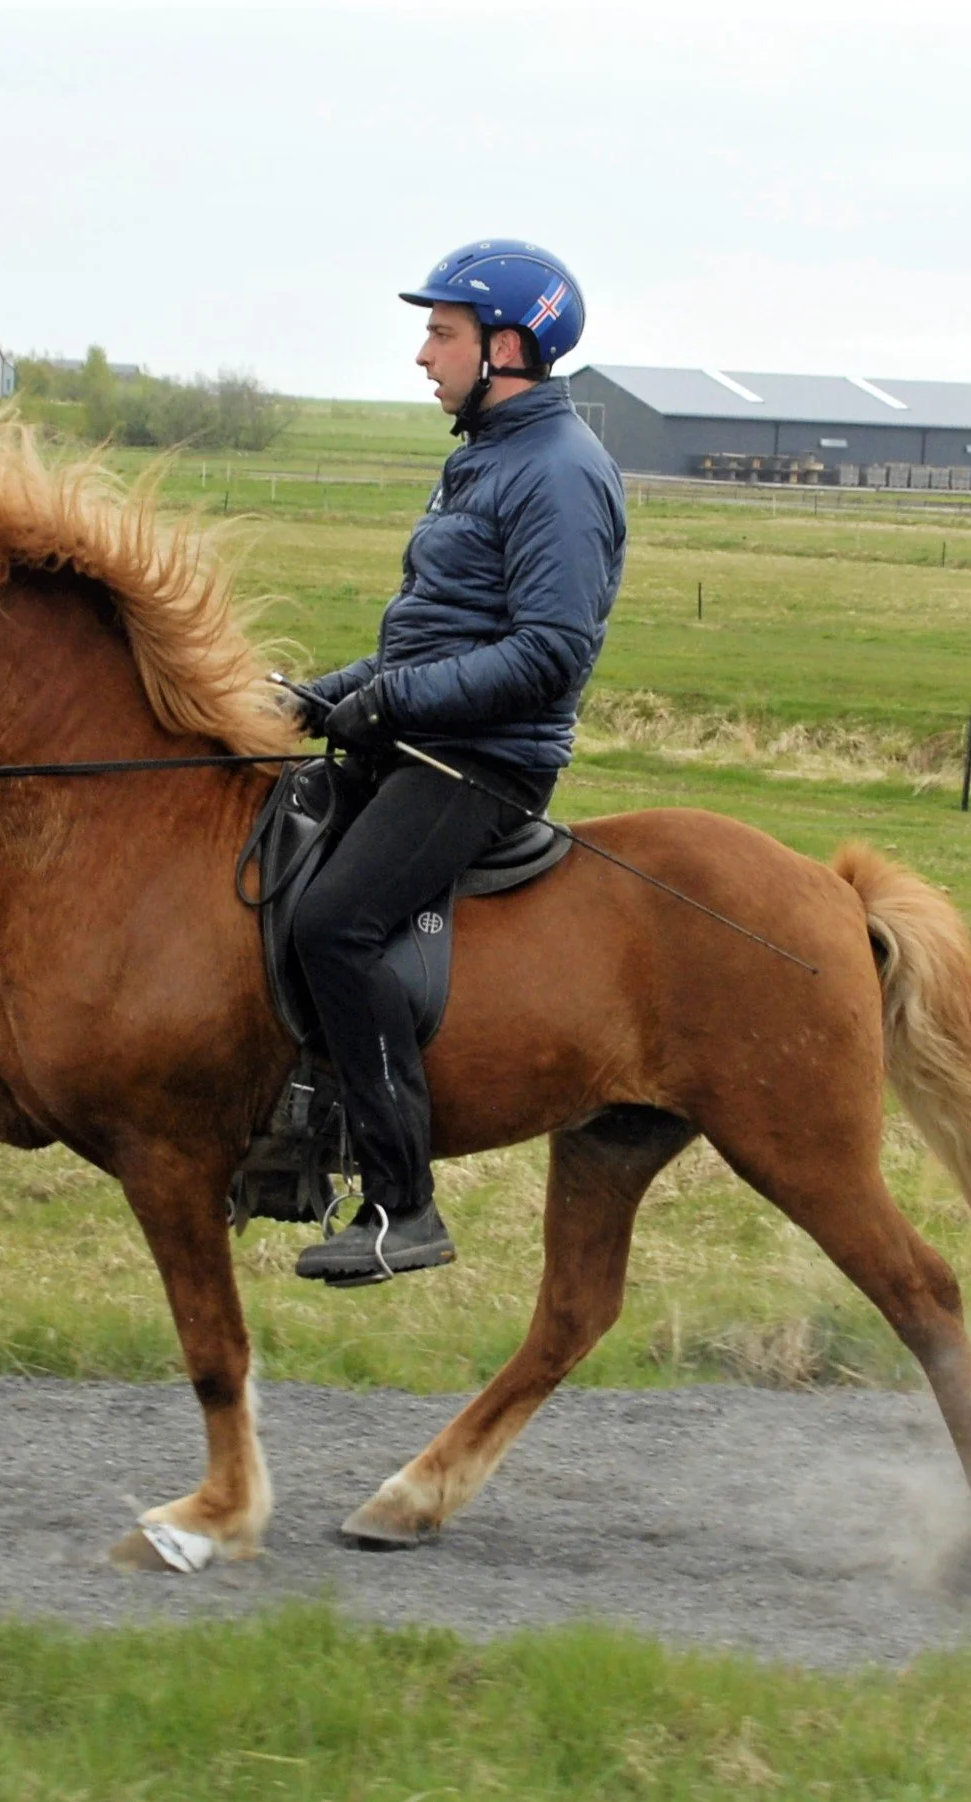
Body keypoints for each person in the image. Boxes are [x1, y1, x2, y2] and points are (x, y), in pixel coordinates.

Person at [289, 240, 627, 1287]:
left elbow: (549, 652)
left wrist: (390, 702)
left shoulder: (561, 472)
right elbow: (428, 642)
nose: (422, 354)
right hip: (422, 737)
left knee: (333, 922)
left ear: (507, 347)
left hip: (481, 763)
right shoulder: (484, 456)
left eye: (442, 333)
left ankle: (402, 1207)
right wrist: (319, 694)